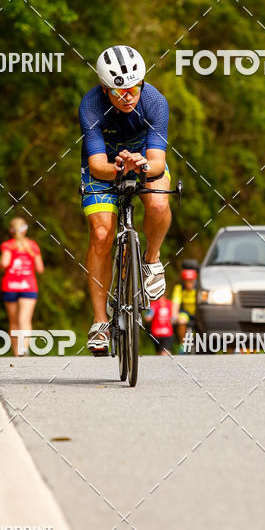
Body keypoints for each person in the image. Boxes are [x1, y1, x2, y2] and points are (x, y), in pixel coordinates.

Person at [79, 45, 171, 354]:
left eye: (133, 88)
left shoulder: (155, 102)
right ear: (105, 89)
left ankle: (152, 261)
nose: (127, 96)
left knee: (159, 202)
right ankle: (99, 321)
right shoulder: (90, 105)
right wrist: (118, 166)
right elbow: (96, 165)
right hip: (104, 164)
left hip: (143, 157)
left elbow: (158, 162)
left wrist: (141, 164)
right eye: (119, 91)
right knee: (102, 233)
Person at [0, 217, 44, 355]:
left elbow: (5, 263)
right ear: (25, 230)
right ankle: (24, 348)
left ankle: (16, 352)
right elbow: (40, 268)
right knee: (25, 319)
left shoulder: (7, 245)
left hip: (10, 286)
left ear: (11, 231)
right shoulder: (32, 246)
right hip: (28, 287)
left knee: (13, 321)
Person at [171, 263, 198, 354]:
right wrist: (174, 316)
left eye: (191, 281)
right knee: (181, 320)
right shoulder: (179, 288)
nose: (189, 283)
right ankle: (182, 344)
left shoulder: (199, 288)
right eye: (186, 281)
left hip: (198, 313)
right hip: (186, 312)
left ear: (195, 280)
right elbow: (175, 303)